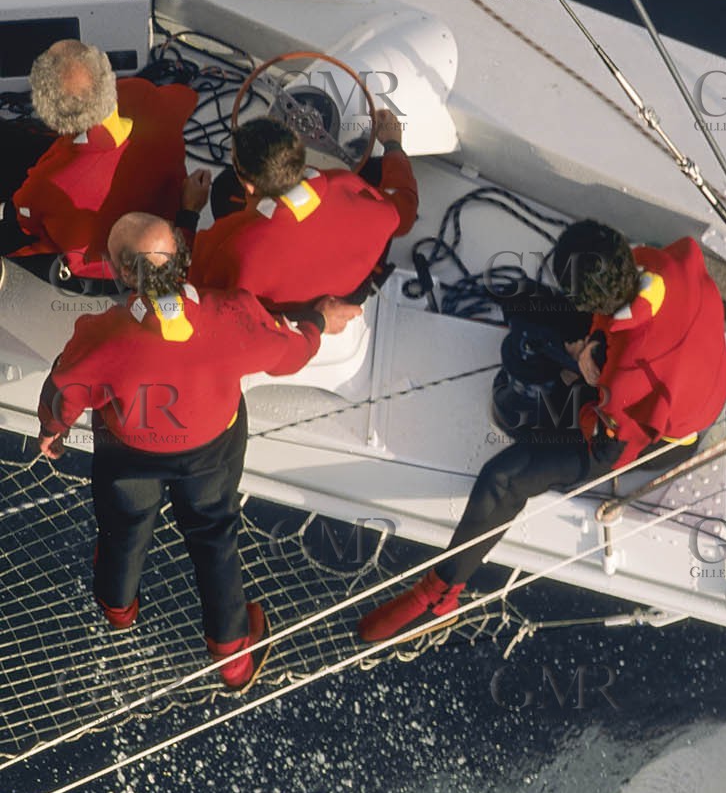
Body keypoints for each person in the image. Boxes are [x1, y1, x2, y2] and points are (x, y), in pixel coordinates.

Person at [359, 220, 726, 643]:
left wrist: (592, 379)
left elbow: (610, 448)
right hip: (681, 368)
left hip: (652, 435)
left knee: (503, 480)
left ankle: (441, 593)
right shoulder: (668, 261)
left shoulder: (626, 378)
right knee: (523, 302)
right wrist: (593, 342)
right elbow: (631, 323)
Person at [37, 213, 359, 691]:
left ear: (124, 273)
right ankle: (231, 661)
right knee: (213, 537)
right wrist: (316, 321)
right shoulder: (234, 313)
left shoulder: (102, 332)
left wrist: (52, 431)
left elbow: (65, 389)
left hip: (127, 457)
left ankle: (118, 610)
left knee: (122, 531)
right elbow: (290, 352)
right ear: (183, 257)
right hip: (209, 451)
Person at [185, 107, 418, 316]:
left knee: (224, 187)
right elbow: (405, 212)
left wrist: (188, 211)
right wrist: (393, 144)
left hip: (293, 312)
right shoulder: (348, 185)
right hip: (346, 288)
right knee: (377, 168)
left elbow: (190, 283)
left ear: (249, 186)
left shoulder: (230, 243)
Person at [0, 40, 199, 281]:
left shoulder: (50, 181)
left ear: (50, 114)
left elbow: (24, 220)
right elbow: (183, 98)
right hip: (154, 235)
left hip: (96, 270)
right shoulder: (142, 92)